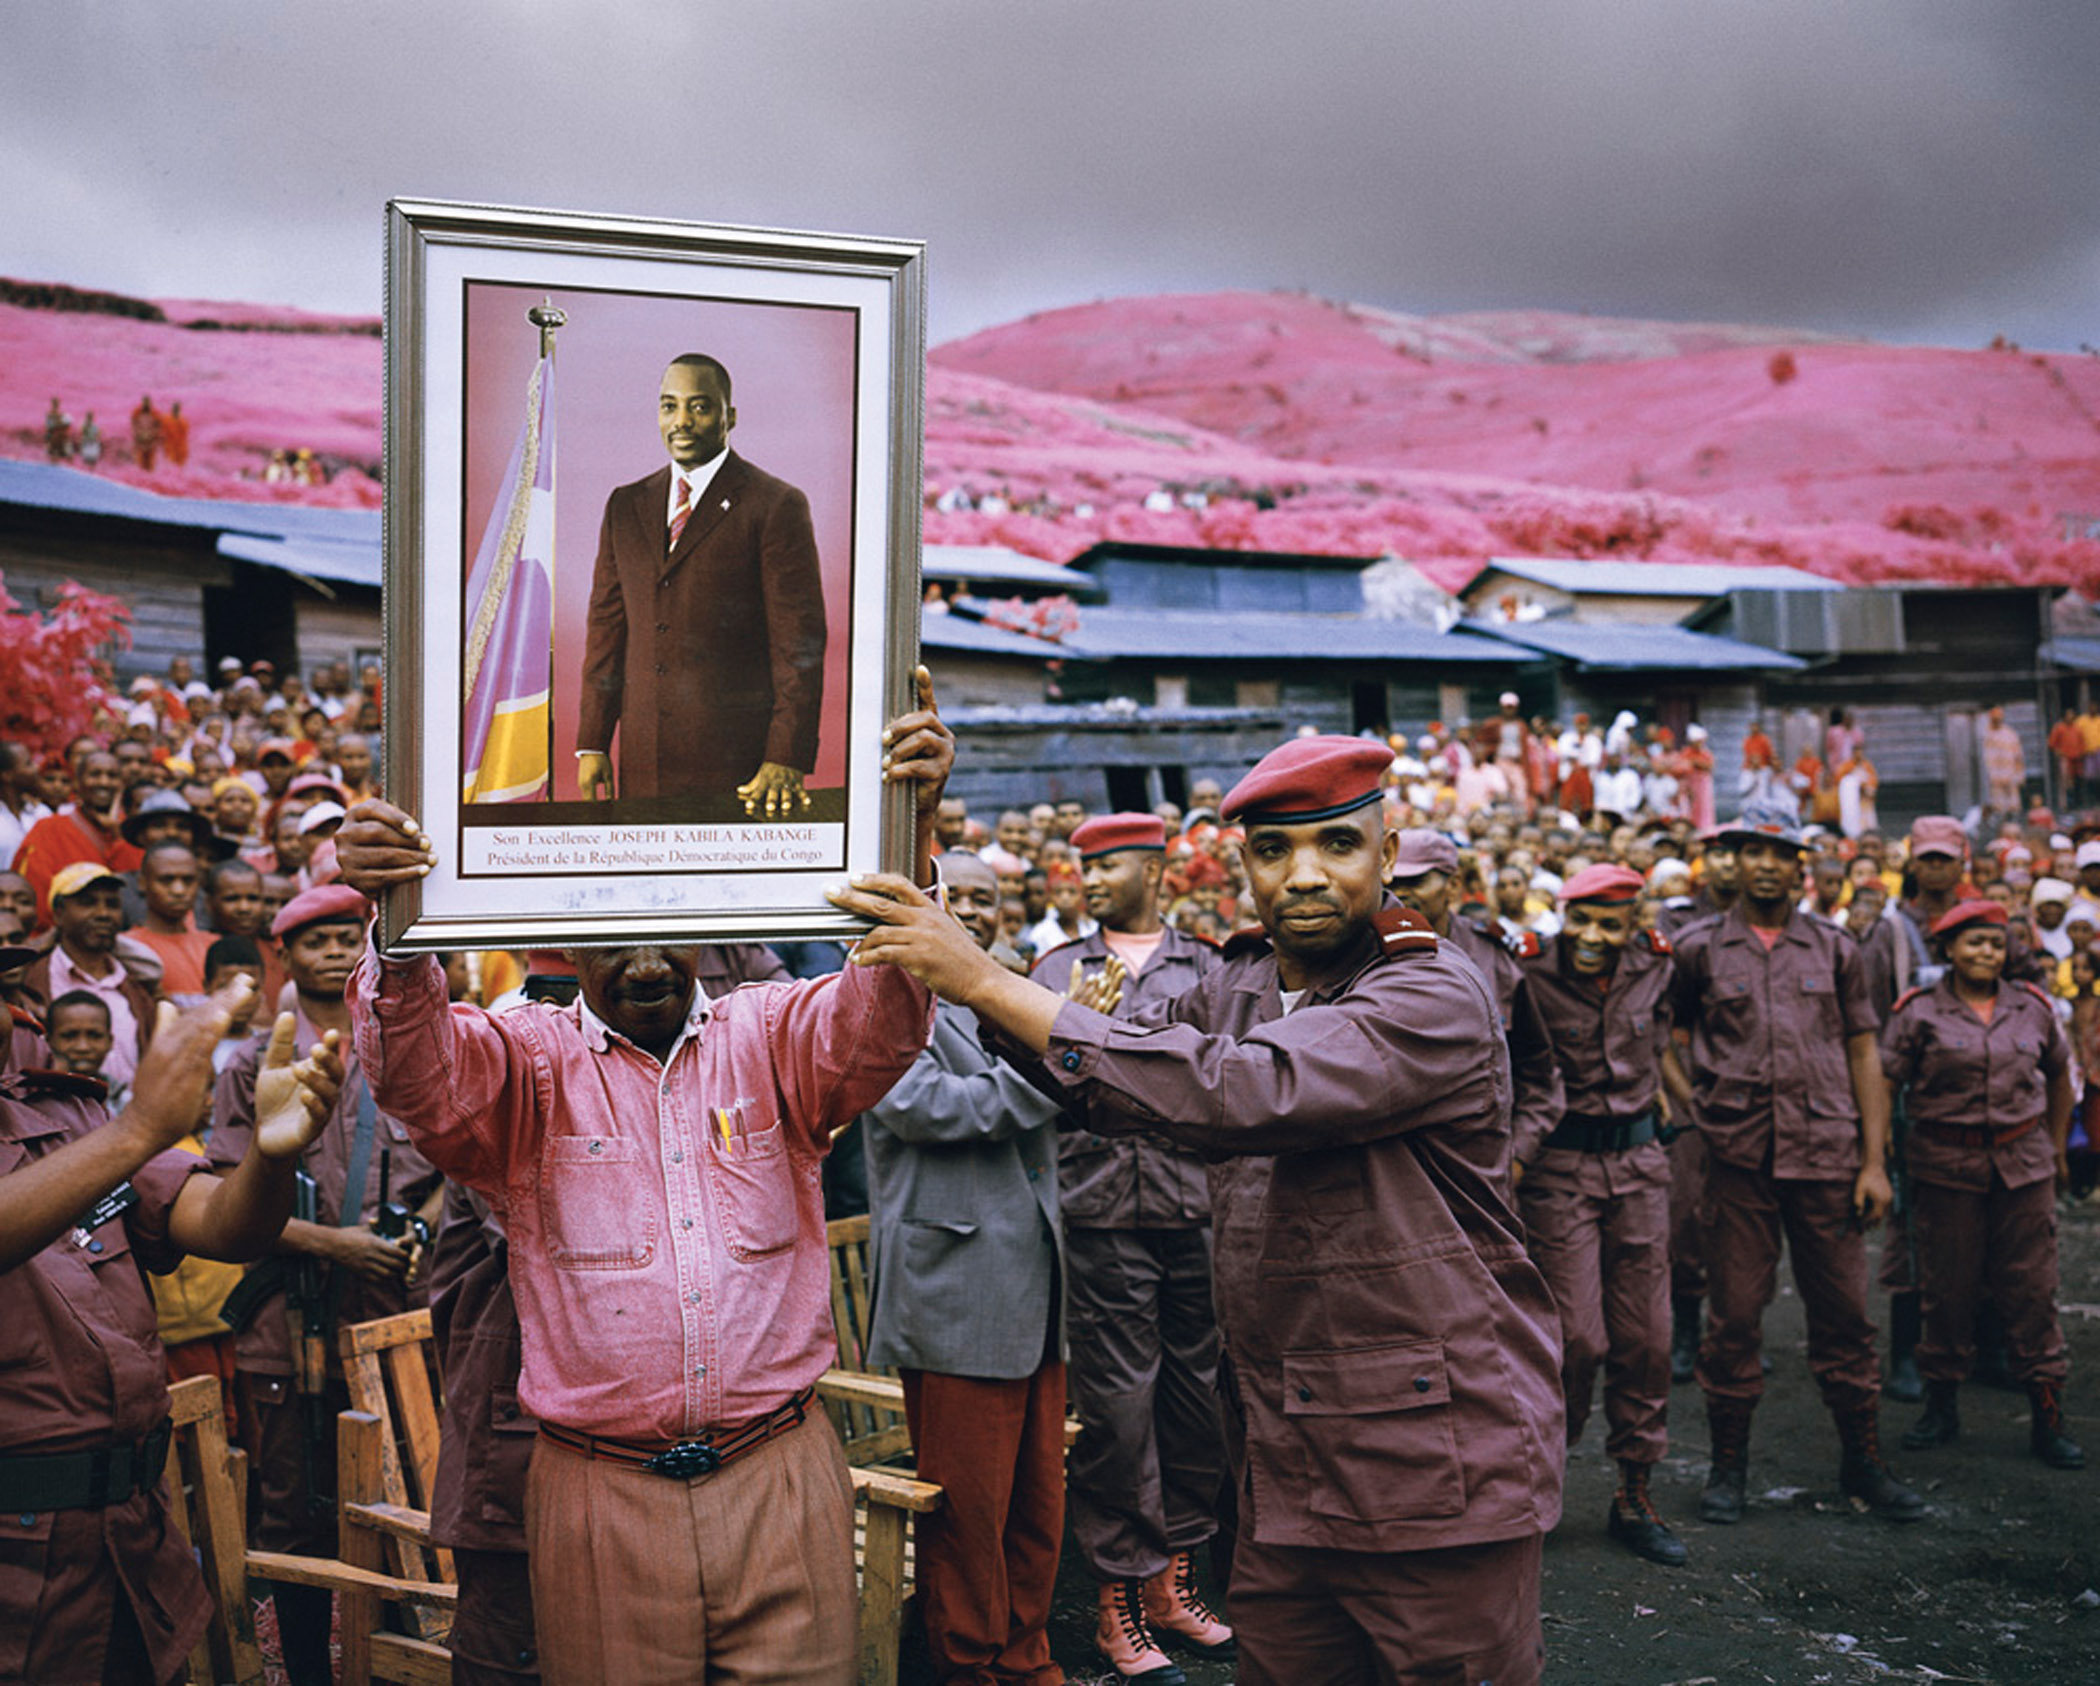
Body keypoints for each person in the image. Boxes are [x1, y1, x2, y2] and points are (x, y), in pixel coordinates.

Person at [833, 735, 1565, 1686]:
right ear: (1241, 865)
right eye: (1273, 851)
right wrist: (918, 830)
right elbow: (1099, 1073)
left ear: (1388, 859)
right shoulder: (1243, 984)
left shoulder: (1431, 989)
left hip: (1434, 1461)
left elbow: (1241, 1090)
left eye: (1338, 846)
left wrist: (976, 975)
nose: (1303, 876)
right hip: (1280, 1459)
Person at [336, 670, 952, 1686]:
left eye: (672, 930)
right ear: (566, 947)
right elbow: (417, 1076)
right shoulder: (523, 1062)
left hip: (782, 1473)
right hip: (598, 1495)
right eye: (614, 938)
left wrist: (909, 832)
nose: (649, 961)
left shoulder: (773, 1033)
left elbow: (882, 1022)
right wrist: (398, 924)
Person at [0, 979, 341, 1685]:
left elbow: (225, 1225)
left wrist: (271, 1155)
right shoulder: (116, 1127)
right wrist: (140, 1127)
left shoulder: (64, 1111)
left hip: (128, 1540)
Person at [210, 884, 447, 1686]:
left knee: (408, 1494)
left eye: (352, 936)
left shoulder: (413, 1045)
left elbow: (460, 1163)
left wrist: (417, 1230)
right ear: (286, 954)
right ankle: (311, 1671)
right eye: (316, 941)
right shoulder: (252, 1065)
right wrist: (335, 1244)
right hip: (288, 1324)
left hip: (396, 1316)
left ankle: (397, 1662)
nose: (338, 952)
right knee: (292, 1514)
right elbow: (221, 1202)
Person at [1670, 811, 1925, 1526]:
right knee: (1736, 1319)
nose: (1766, 866)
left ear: (1800, 867)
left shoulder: (1838, 948)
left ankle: (1864, 1461)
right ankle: (1729, 1469)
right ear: (1732, 863)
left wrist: (1875, 1162)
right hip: (1737, 1161)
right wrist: (1702, 1109)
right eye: (1752, 852)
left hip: (1826, 1157)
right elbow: (1671, 1037)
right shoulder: (1698, 949)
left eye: (1781, 854)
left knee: (1845, 1317)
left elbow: (1863, 1053)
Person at [860, 850, 1071, 1686]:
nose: (977, 915)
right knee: (968, 1513)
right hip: (956, 1294)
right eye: (961, 899)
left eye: (990, 901)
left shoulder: (1010, 996)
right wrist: (1062, 1065)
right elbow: (935, 1111)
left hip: (1036, 1285)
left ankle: (1029, 1658)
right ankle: (970, 1666)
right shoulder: (884, 999)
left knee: (1036, 1507)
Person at [1030, 815, 1231, 1681]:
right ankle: (1117, 1599)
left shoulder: (1213, 967)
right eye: (1084, 869)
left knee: (1196, 1405)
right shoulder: (1055, 970)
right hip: (1102, 1210)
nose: (1090, 881)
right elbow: (1028, 1089)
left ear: (1154, 868)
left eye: (1108, 867)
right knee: (1118, 1412)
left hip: (1197, 1210)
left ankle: (1170, 1584)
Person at [1516, 863, 1692, 1567]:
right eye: (1581, 919)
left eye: (1608, 924)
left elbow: (1665, 1035)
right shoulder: (1526, 970)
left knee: (1648, 1339)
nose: (1593, 936)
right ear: (1562, 914)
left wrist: (1669, 1093)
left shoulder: (1656, 962)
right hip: (1561, 1167)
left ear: (1630, 923)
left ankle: (1634, 1492)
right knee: (1577, 1339)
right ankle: (1543, 1474)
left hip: (1641, 1165)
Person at [576, 354, 826, 817]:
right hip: (641, 768)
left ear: (730, 417)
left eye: (700, 407)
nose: (682, 422)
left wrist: (785, 756)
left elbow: (800, 646)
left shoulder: (777, 505)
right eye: (669, 406)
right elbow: (606, 631)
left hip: (742, 772)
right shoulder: (624, 505)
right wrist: (592, 743)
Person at [1881, 901, 2083, 1469]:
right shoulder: (1919, 1011)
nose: (1985, 954)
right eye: (1972, 943)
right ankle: (1940, 1407)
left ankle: (2048, 1417)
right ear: (1947, 950)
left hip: (2023, 1166)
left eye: (1994, 944)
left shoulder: (2033, 1008)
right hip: (1946, 1168)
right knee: (1948, 1290)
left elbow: (2060, 1076)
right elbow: (1884, 1074)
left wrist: (2056, 1141)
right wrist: (1881, 1147)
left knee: (2033, 1290)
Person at [1388, 829, 1563, 1188]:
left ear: (1452, 887)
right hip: (1393, 1171)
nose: (1400, 893)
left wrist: (1517, 1157)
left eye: (1416, 881)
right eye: (1391, 880)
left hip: (1480, 1168)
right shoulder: (1357, 956)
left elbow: (1538, 1069)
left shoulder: (1493, 958)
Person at [23, 863, 155, 1098]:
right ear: (59, 914)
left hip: (126, 1122)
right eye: (88, 903)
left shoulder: (137, 987)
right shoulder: (31, 981)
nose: (103, 913)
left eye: (112, 904)